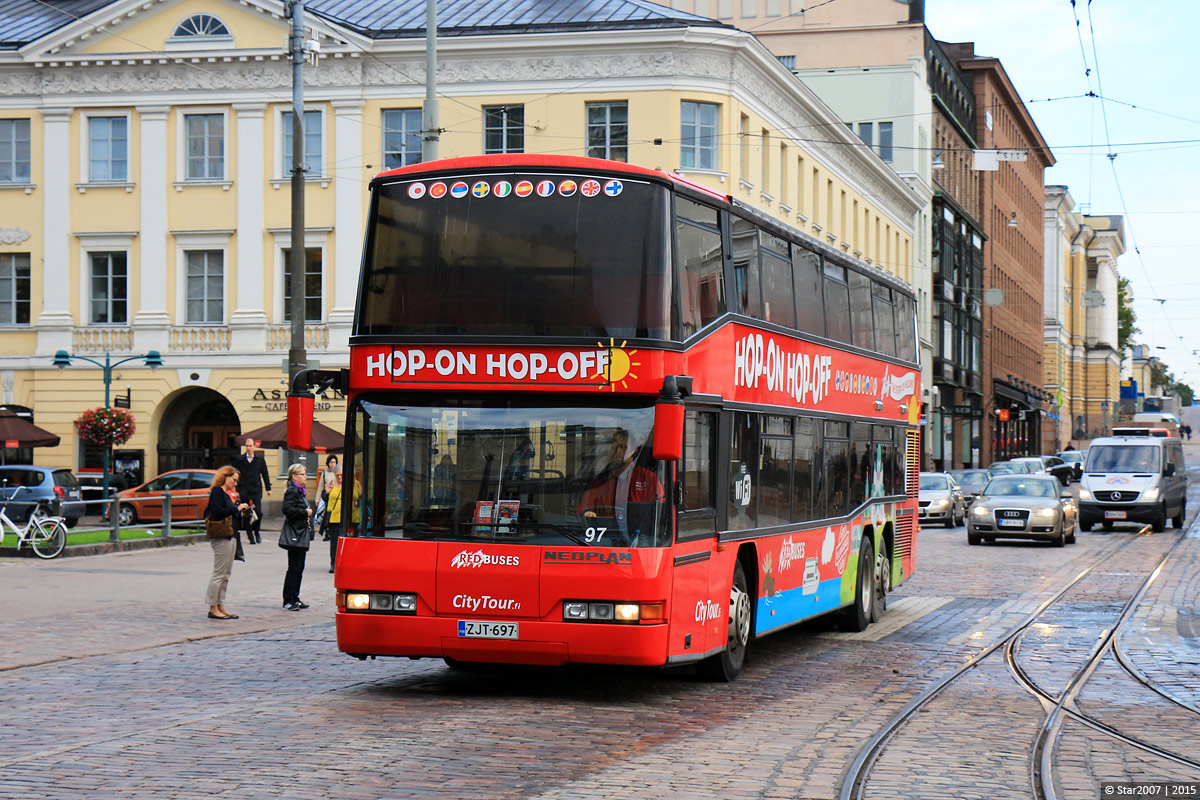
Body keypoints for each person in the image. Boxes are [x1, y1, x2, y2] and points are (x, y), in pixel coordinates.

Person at [576, 429, 664, 535]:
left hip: (639, 539)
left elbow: (660, 514)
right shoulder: (601, 480)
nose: (617, 451)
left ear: (634, 452)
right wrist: (588, 513)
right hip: (604, 537)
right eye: (615, 446)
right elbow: (584, 508)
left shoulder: (649, 479)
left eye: (623, 447)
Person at [206, 466, 249, 620]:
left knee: (226, 574)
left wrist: (240, 510)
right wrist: (236, 509)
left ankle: (220, 604)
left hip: (231, 535)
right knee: (219, 573)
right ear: (226, 477)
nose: (235, 484)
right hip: (221, 536)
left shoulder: (228, 494)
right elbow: (216, 511)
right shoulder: (218, 492)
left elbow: (231, 513)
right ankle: (212, 606)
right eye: (234, 480)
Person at [279, 463, 313, 611]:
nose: (305, 477)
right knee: (294, 567)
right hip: (295, 533)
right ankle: (288, 599)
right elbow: (287, 509)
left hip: (300, 532)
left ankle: (295, 597)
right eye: (302, 474)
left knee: (299, 567)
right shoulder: (292, 491)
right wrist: (305, 512)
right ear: (294, 476)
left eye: (305, 474)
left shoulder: (300, 491)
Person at [231, 438, 271, 544]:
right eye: (247, 446)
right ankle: (250, 537)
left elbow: (265, 474)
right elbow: (235, 475)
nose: (248, 448)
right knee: (247, 514)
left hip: (256, 490)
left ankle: (257, 532)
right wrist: (235, 488)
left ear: (254, 446)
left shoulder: (260, 459)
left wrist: (268, 488)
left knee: (258, 512)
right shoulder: (239, 459)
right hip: (243, 490)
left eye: (250, 446)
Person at [325, 467, 360, 573]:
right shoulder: (331, 483)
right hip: (334, 517)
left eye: (341, 474)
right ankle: (333, 562)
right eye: (337, 475)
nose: (339, 477)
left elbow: (358, 497)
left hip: (350, 517)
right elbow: (327, 496)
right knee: (334, 541)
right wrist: (328, 492)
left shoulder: (354, 483)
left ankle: (349, 562)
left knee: (351, 540)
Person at [316, 453, 339, 539]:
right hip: (328, 497)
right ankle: (327, 532)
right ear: (328, 463)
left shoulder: (338, 472)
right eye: (331, 462)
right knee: (326, 514)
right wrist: (317, 499)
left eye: (334, 462)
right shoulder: (325, 473)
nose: (333, 464)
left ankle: (332, 531)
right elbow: (321, 486)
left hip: (336, 496)